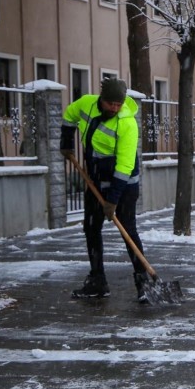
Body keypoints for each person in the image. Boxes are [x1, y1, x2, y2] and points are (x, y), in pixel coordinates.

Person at [60, 78, 150, 303]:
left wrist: (113, 201)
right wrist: (66, 142)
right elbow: (69, 115)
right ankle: (97, 280)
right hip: (96, 181)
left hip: (124, 184)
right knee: (91, 227)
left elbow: (125, 166)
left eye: (118, 104)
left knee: (127, 228)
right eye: (111, 103)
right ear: (102, 99)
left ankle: (143, 282)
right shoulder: (86, 104)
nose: (115, 108)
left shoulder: (127, 123)